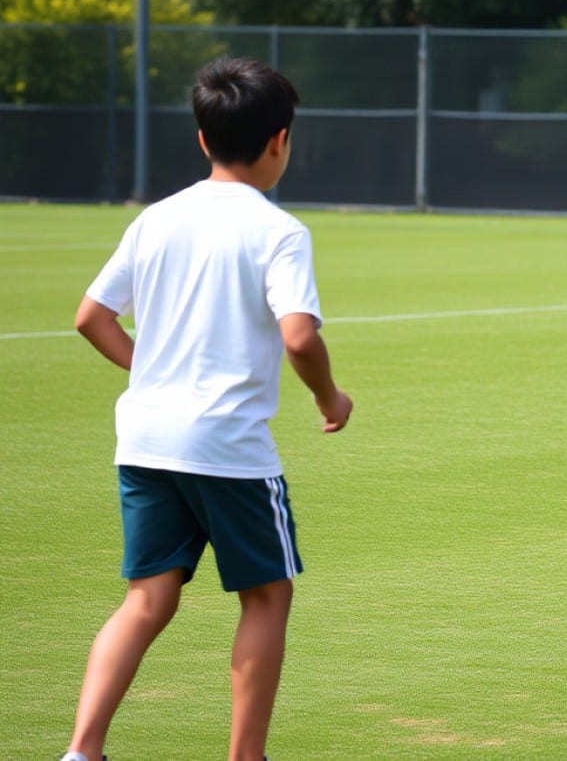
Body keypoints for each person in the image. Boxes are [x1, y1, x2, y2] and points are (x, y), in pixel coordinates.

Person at [62, 57, 353, 761]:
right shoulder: (278, 231)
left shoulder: (156, 220)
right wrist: (329, 396)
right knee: (267, 596)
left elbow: (90, 317)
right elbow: (299, 336)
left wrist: (155, 370)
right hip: (226, 447)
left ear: (202, 138)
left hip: (145, 437)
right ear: (280, 141)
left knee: (146, 599)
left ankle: (81, 751)